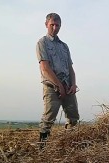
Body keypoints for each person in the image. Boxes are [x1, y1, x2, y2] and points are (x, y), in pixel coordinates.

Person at [36, 13, 79, 146]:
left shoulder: (64, 46)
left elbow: (70, 68)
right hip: (52, 86)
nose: (55, 28)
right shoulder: (42, 43)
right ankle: (42, 150)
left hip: (67, 86)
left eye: (57, 25)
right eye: (52, 25)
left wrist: (73, 84)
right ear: (46, 24)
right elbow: (45, 67)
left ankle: (68, 145)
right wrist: (59, 85)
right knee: (48, 119)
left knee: (73, 118)